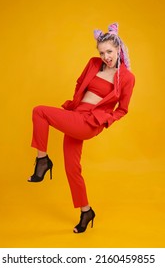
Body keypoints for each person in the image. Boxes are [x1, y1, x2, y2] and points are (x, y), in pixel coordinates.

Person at [28, 23, 135, 233]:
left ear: (119, 49)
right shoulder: (94, 64)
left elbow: (122, 109)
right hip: (75, 115)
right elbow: (80, 83)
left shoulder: (127, 78)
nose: (106, 56)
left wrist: (105, 120)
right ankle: (86, 211)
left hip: (90, 122)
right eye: (102, 52)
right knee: (72, 169)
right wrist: (76, 105)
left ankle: (42, 160)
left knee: (39, 111)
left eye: (110, 52)